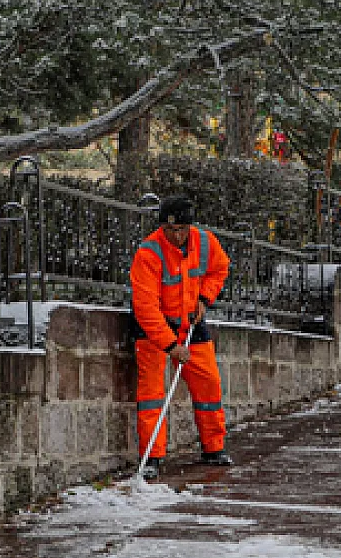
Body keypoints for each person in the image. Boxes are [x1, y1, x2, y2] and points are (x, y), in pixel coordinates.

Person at [130, 195, 233, 480]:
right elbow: (145, 307)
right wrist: (170, 345)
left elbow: (219, 269)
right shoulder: (148, 253)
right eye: (169, 229)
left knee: (209, 384)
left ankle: (214, 448)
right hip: (154, 329)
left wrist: (205, 298)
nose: (175, 235)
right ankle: (152, 455)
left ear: (190, 226)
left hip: (191, 322)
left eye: (181, 230)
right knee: (151, 393)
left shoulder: (206, 242)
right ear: (161, 227)